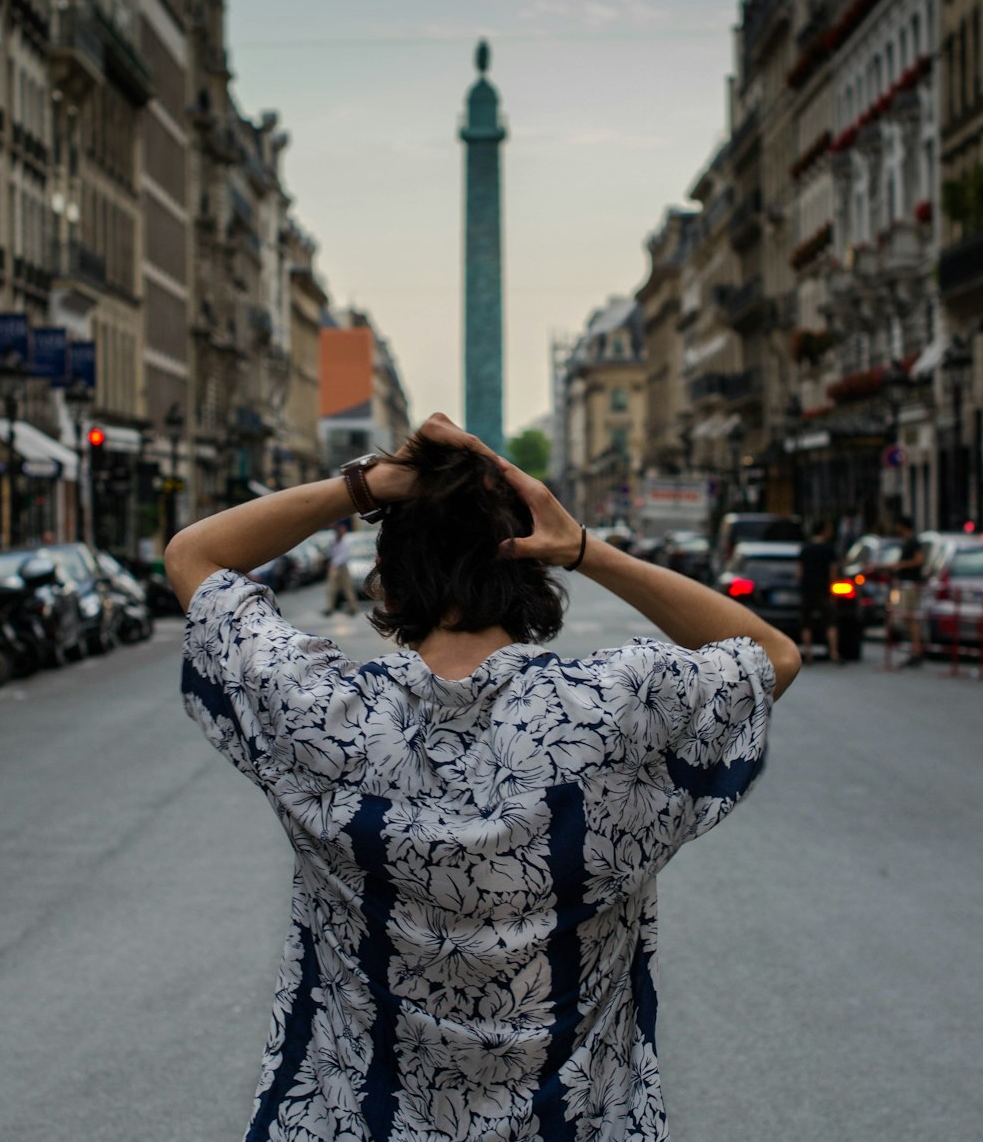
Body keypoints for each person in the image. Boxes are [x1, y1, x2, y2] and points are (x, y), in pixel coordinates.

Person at [166, 413, 801, 1142]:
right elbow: (770, 653)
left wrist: (373, 482)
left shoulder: (324, 712)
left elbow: (195, 555)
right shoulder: (612, 709)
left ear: (389, 585)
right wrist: (587, 549)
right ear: (530, 571)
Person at [797, 517, 840, 664]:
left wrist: (802, 586)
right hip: (824, 591)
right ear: (824, 530)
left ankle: (808, 654)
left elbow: (799, 571)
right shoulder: (829, 549)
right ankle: (834, 653)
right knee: (830, 621)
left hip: (808, 590)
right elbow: (833, 570)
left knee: (806, 623)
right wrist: (832, 590)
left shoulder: (806, 548)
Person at [891, 513, 925, 666]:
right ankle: (915, 649)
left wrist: (902, 565)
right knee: (907, 617)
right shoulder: (908, 541)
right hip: (906, 583)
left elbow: (919, 560)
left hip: (910, 584)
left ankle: (916, 651)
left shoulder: (913, 541)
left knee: (909, 617)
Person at [323, 517, 358, 616]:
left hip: (342, 567)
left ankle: (352, 607)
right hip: (335, 566)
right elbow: (331, 552)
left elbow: (345, 555)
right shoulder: (335, 539)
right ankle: (329, 608)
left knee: (348, 588)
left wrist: (333, 563)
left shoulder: (346, 541)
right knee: (331, 588)